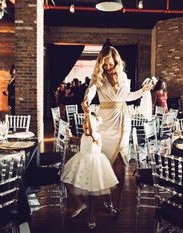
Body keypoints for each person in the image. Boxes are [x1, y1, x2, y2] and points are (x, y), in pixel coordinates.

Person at [81, 46, 152, 217]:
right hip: (104, 123)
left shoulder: (124, 77)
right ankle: (107, 199)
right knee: (104, 164)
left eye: (110, 64)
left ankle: (116, 203)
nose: (107, 68)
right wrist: (86, 100)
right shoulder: (98, 77)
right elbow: (90, 91)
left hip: (122, 122)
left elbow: (127, 97)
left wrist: (143, 91)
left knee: (120, 163)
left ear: (116, 61)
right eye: (104, 65)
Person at [61, 112, 118, 230]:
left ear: (96, 126)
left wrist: (87, 112)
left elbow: (91, 133)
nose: (85, 125)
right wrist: (71, 136)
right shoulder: (84, 135)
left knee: (95, 189)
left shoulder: (96, 136)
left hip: (95, 163)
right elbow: (79, 141)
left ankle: (93, 215)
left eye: (89, 123)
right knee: (66, 180)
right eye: (84, 122)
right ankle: (81, 203)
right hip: (81, 162)